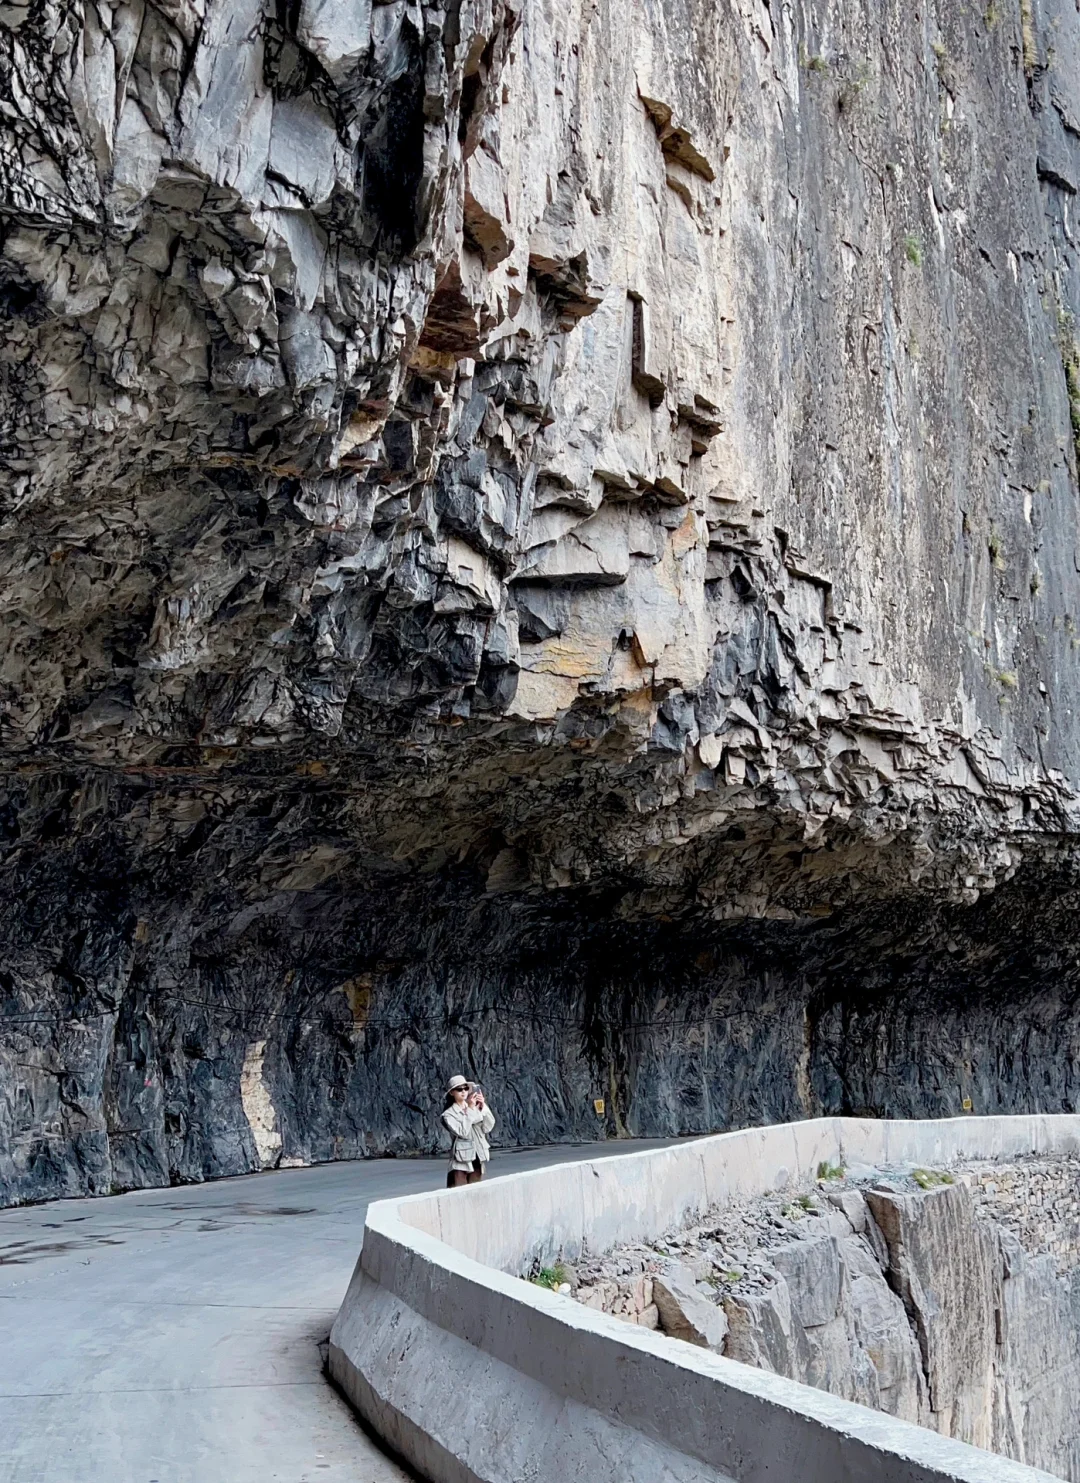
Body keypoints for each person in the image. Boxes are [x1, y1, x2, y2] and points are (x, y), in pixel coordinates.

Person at [441, 1074, 495, 1187]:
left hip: (478, 1157)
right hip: (460, 1162)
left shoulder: (474, 1107)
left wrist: (483, 1106)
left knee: (475, 1193)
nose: (463, 1091)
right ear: (452, 1093)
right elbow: (462, 1132)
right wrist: (470, 1109)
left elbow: (488, 1127)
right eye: (459, 1089)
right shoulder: (448, 1114)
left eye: (466, 1088)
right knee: (458, 1193)